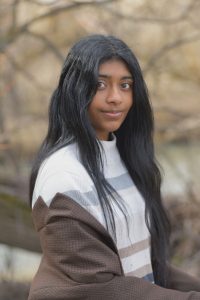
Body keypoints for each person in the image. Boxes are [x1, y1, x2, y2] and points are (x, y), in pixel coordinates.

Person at [28, 34, 200, 299]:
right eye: (100, 84)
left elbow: (143, 263)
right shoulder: (63, 176)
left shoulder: (126, 158)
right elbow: (103, 286)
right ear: (75, 89)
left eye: (126, 85)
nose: (115, 98)